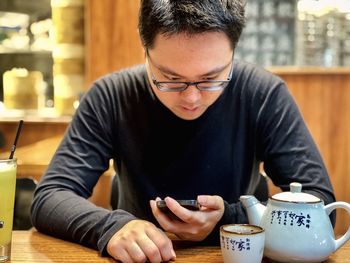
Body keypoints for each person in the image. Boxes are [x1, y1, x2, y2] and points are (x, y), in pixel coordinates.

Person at [31, 0, 336, 262]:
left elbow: (322, 205)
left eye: (211, 78)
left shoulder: (261, 94)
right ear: (145, 49)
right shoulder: (112, 95)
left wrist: (229, 219)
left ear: (233, 52)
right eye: (170, 78)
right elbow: (50, 197)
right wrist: (109, 227)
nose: (191, 98)